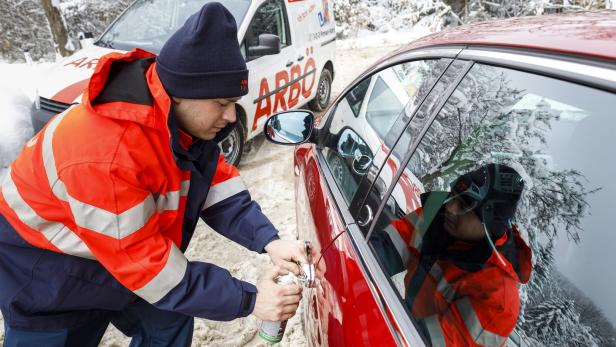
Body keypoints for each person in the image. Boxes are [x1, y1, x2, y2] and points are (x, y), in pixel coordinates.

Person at [0, 3, 307, 346]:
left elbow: (215, 185)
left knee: (168, 321)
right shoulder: (107, 156)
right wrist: (251, 300)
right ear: (179, 95)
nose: (232, 117)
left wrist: (269, 240)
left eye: (234, 102)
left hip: (117, 247)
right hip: (50, 269)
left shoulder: (180, 125)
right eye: (222, 103)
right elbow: (150, 269)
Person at [370, 164, 532, 347]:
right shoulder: (436, 217)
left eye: (464, 205)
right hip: (405, 323)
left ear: (490, 225)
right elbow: (386, 248)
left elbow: (433, 342)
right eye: (453, 195)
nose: (451, 208)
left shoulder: (498, 298)